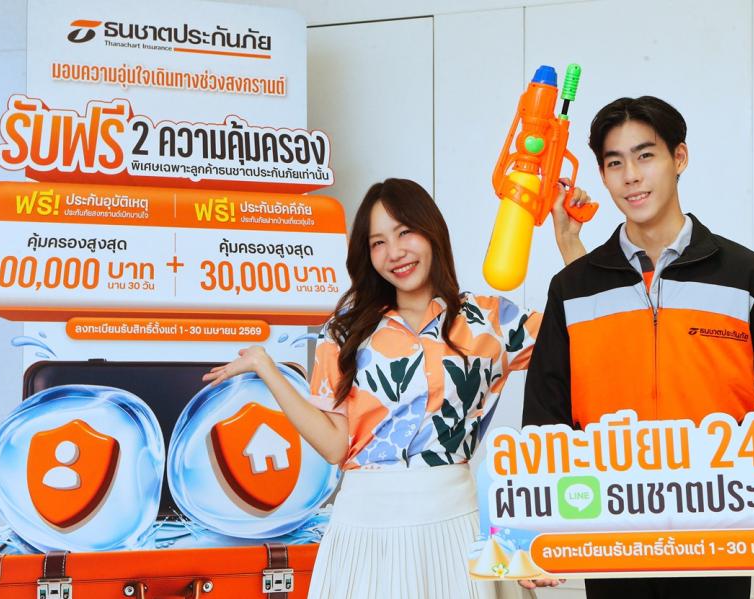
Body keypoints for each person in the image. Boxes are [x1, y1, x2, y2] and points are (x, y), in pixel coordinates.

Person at [204, 178, 589, 598]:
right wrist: (267, 369)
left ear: (432, 232)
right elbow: (335, 447)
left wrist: (568, 240)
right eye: (378, 242)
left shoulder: (491, 320)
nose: (395, 252)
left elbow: (586, 331)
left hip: (456, 524)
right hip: (364, 531)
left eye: (405, 232)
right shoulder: (345, 332)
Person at [521, 96, 754, 598]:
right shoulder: (573, 288)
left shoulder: (745, 274)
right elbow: (545, 415)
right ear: (602, 175)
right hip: (612, 528)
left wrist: (742, 454)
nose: (631, 177)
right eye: (614, 163)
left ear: (678, 158)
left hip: (718, 526)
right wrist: (540, 528)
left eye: (646, 156)